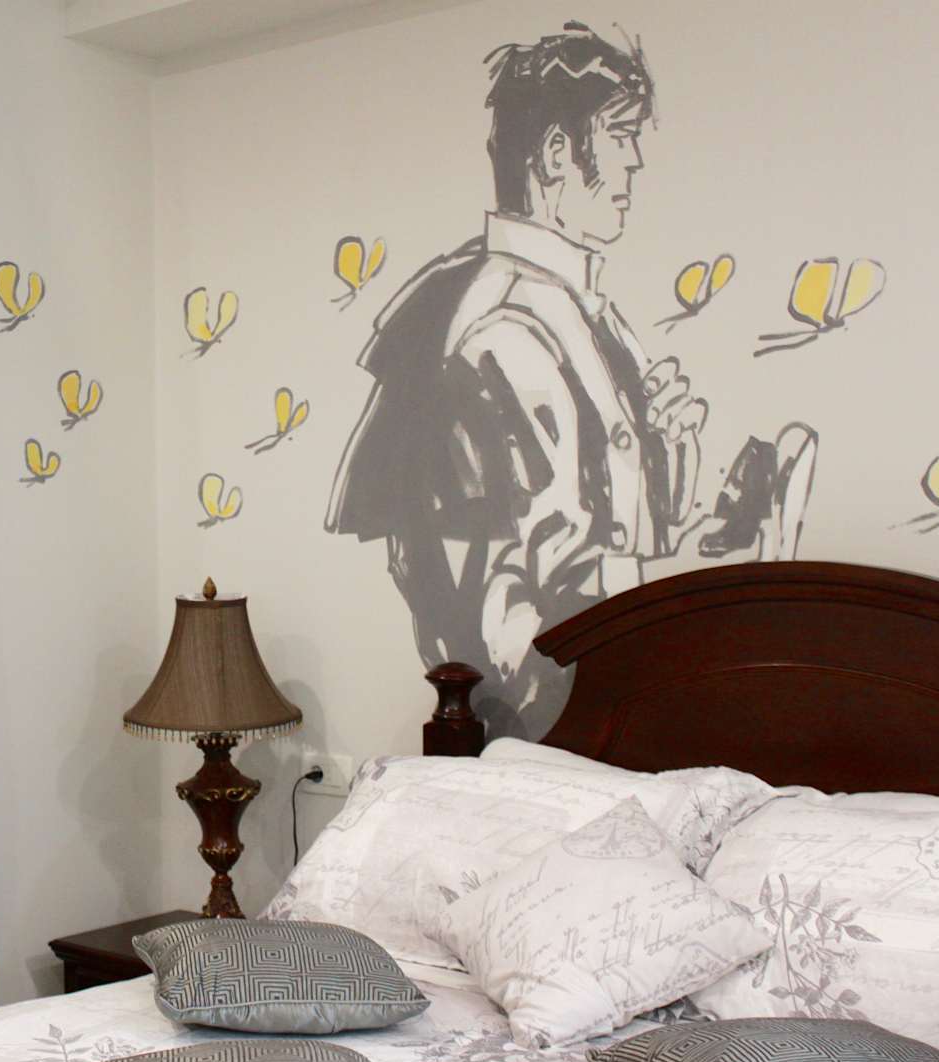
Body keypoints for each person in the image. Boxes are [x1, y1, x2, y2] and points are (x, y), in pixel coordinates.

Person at [326, 23, 786, 731]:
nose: (636, 161)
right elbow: (505, 624)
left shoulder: (576, 311)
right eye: (621, 134)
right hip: (553, 737)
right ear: (556, 155)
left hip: (608, 728)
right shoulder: (501, 332)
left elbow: (589, 534)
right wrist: (683, 576)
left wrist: (670, 460)